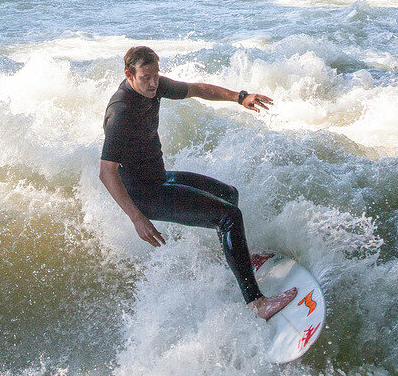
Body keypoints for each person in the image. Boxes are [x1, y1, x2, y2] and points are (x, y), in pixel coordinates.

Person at [99, 46, 297, 321]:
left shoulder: (152, 86)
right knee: (229, 217)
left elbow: (195, 89)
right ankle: (257, 303)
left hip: (159, 177)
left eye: (156, 74)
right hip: (145, 195)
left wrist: (240, 97)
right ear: (129, 75)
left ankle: (238, 260)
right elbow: (106, 172)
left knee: (229, 195)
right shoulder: (121, 112)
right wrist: (137, 218)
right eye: (146, 77)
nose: (154, 83)